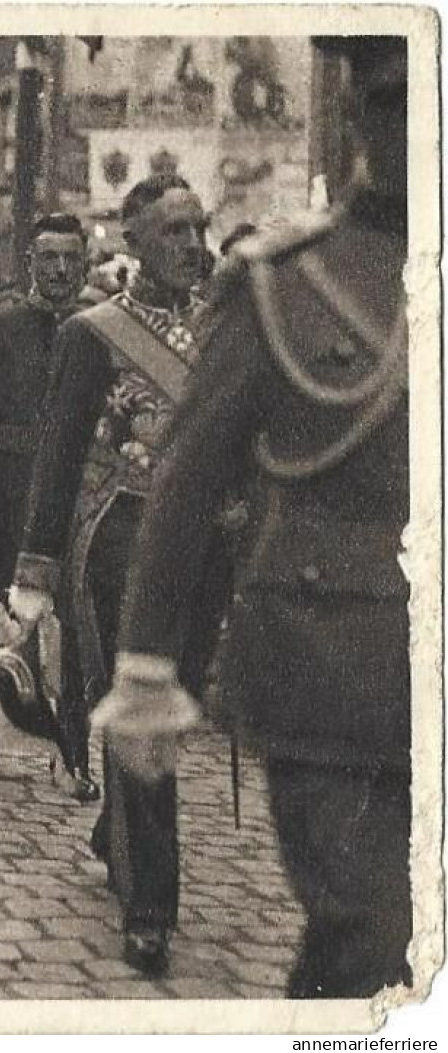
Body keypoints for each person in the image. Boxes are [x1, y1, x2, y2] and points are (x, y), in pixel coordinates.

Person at [97, 35, 411, 999]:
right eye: (401, 105)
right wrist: (146, 670)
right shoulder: (283, 280)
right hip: (334, 666)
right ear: (361, 118)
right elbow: (186, 483)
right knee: (374, 938)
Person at [10, 174, 223, 977]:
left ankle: (115, 832)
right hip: (121, 539)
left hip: (208, 545)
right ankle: (149, 907)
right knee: (145, 710)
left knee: (182, 700)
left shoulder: (225, 323)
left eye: (198, 228)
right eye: (173, 231)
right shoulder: (93, 335)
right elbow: (58, 457)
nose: (193, 246)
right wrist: (35, 566)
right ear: (132, 241)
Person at [0, 212, 97, 801]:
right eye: (47, 258)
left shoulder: (100, 328)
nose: (58, 269)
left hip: (79, 485)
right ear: (29, 264)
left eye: (69, 259)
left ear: (85, 264)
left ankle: (75, 750)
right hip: (10, 481)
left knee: (73, 619)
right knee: (0, 607)